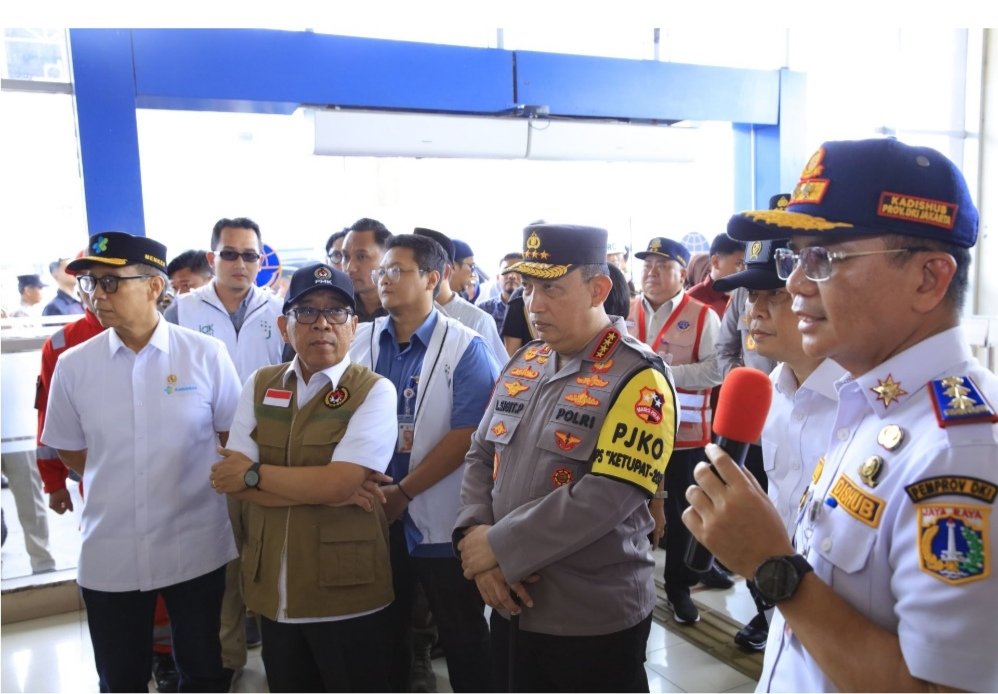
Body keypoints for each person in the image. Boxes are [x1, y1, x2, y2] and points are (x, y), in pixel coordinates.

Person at [683, 138, 998, 692]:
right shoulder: (868, 401)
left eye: (824, 259)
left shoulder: (960, 449)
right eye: (796, 258)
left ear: (929, 279)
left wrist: (772, 564)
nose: (795, 284)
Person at [455, 223, 677, 692]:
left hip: (590, 617)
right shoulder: (526, 361)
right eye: (528, 287)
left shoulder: (640, 377)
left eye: (552, 289)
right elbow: (480, 452)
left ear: (598, 289)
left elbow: (608, 496)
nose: (533, 305)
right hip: (511, 602)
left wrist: (498, 547)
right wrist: (477, 535)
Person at [41, 231, 241, 692]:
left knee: (204, 670)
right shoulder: (74, 365)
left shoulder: (204, 354)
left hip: (195, 543)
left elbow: (230, 436)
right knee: (120, 677)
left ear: (154, 286)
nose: (96, 295)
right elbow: (70, 448)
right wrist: (119, 475)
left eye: (111, 282)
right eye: (90, 283)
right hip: (111, 546)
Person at [209, 263, 398, 692]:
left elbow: (338, 483)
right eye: (307, 311)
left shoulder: (373, 390)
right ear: (284, 326)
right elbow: (230, 482)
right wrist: (328, 489)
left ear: (354, 326)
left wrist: (256, 475)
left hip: (345, 590)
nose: (322, 324)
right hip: (272, 589)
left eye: (336, 312)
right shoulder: (261, 384)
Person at [349, 234, 499, 693]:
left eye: (397, 270)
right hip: (371, 512)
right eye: (382, 271)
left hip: (441, 521)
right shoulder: (360, 339)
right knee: (382, 635)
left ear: (433, 278)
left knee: (463, 636)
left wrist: (404, 491)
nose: (384, 279)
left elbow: (467, 434)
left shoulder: (465, 347)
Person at [711, 237, 845, 652]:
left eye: (775, 293)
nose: (755, 310)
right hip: (785, 630)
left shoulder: (864, 403)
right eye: (752, 295)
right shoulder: (770, 392)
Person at [165, 217, 284, 680]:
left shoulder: (278, 310)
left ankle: (282, 659)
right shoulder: (182, 311)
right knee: (224, 564)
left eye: (250, 255)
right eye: (230, 254)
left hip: (268, 457)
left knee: (270, 559)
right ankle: (229, 659)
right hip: (206, 459)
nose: (240, 263)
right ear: (212, 257)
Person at [626, 236, 725, 623]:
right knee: (629, 504)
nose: (651, 272)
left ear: (682, 274)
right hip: (633, 433)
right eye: (647, 265)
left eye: (662, 265)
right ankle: (631, 581)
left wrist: (664, 373)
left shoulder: (702, 316)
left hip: (684, 434)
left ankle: (680, 588)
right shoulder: (626, 310)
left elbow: (716, 370)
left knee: (682, 511)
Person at [412, 227, 507, 365]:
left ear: (446, 270)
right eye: (471, 266)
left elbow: (500, 371)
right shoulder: (402, 314)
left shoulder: (478, 320)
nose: (473, 274)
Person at [342, 218, 393, 323]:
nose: (349, 268)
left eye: (361, 257)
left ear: (387, 258)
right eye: (346, 257)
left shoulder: (406, 309)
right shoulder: (336, 307)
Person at [687, 233, 745, 317]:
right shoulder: (691, 301)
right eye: (739, 264)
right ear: (716, 262)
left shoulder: (745, 298)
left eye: (745, 265)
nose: (744, 271)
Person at [477, 252, 523, 332]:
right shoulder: (483, 310)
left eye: (518, 271)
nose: (512, 276)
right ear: (498, 277)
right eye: (506, 270)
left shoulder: (532, 309)